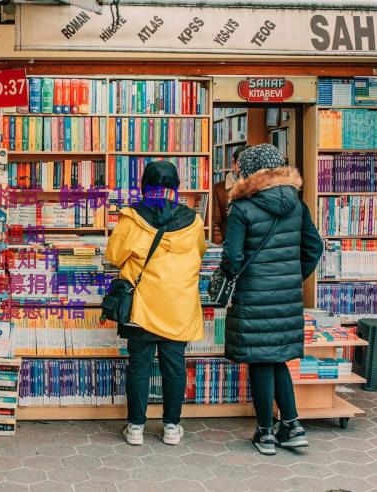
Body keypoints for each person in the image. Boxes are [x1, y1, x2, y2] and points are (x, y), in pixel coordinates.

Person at [219, 144, 323, 456]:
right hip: (287, 295)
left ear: (248, 172)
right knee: (277, 358)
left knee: (260, 361)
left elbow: (233, 257)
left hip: (253, 294)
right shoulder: (297, 204)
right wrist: (291, 277)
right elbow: (313, 247)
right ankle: (292, 426)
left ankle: (265, 432)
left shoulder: (242, 206)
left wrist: (232, 276)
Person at [105, 161, 208, 447]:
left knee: (139, 366)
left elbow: (114, 254)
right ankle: (172, 427)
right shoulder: (193, 220)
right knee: (174, 367)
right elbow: (200, 250)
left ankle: (136, 427)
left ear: (144, 186)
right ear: (175, 187)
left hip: (142, 304)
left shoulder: (132, 217)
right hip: (179, 304)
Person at [212, 145, 248, 243]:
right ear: (233, 164)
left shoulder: (259, 187)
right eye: (241, 163)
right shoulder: (218, 189)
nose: (245, 168)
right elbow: (214, 223)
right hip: (229, 245)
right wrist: (220, 246)